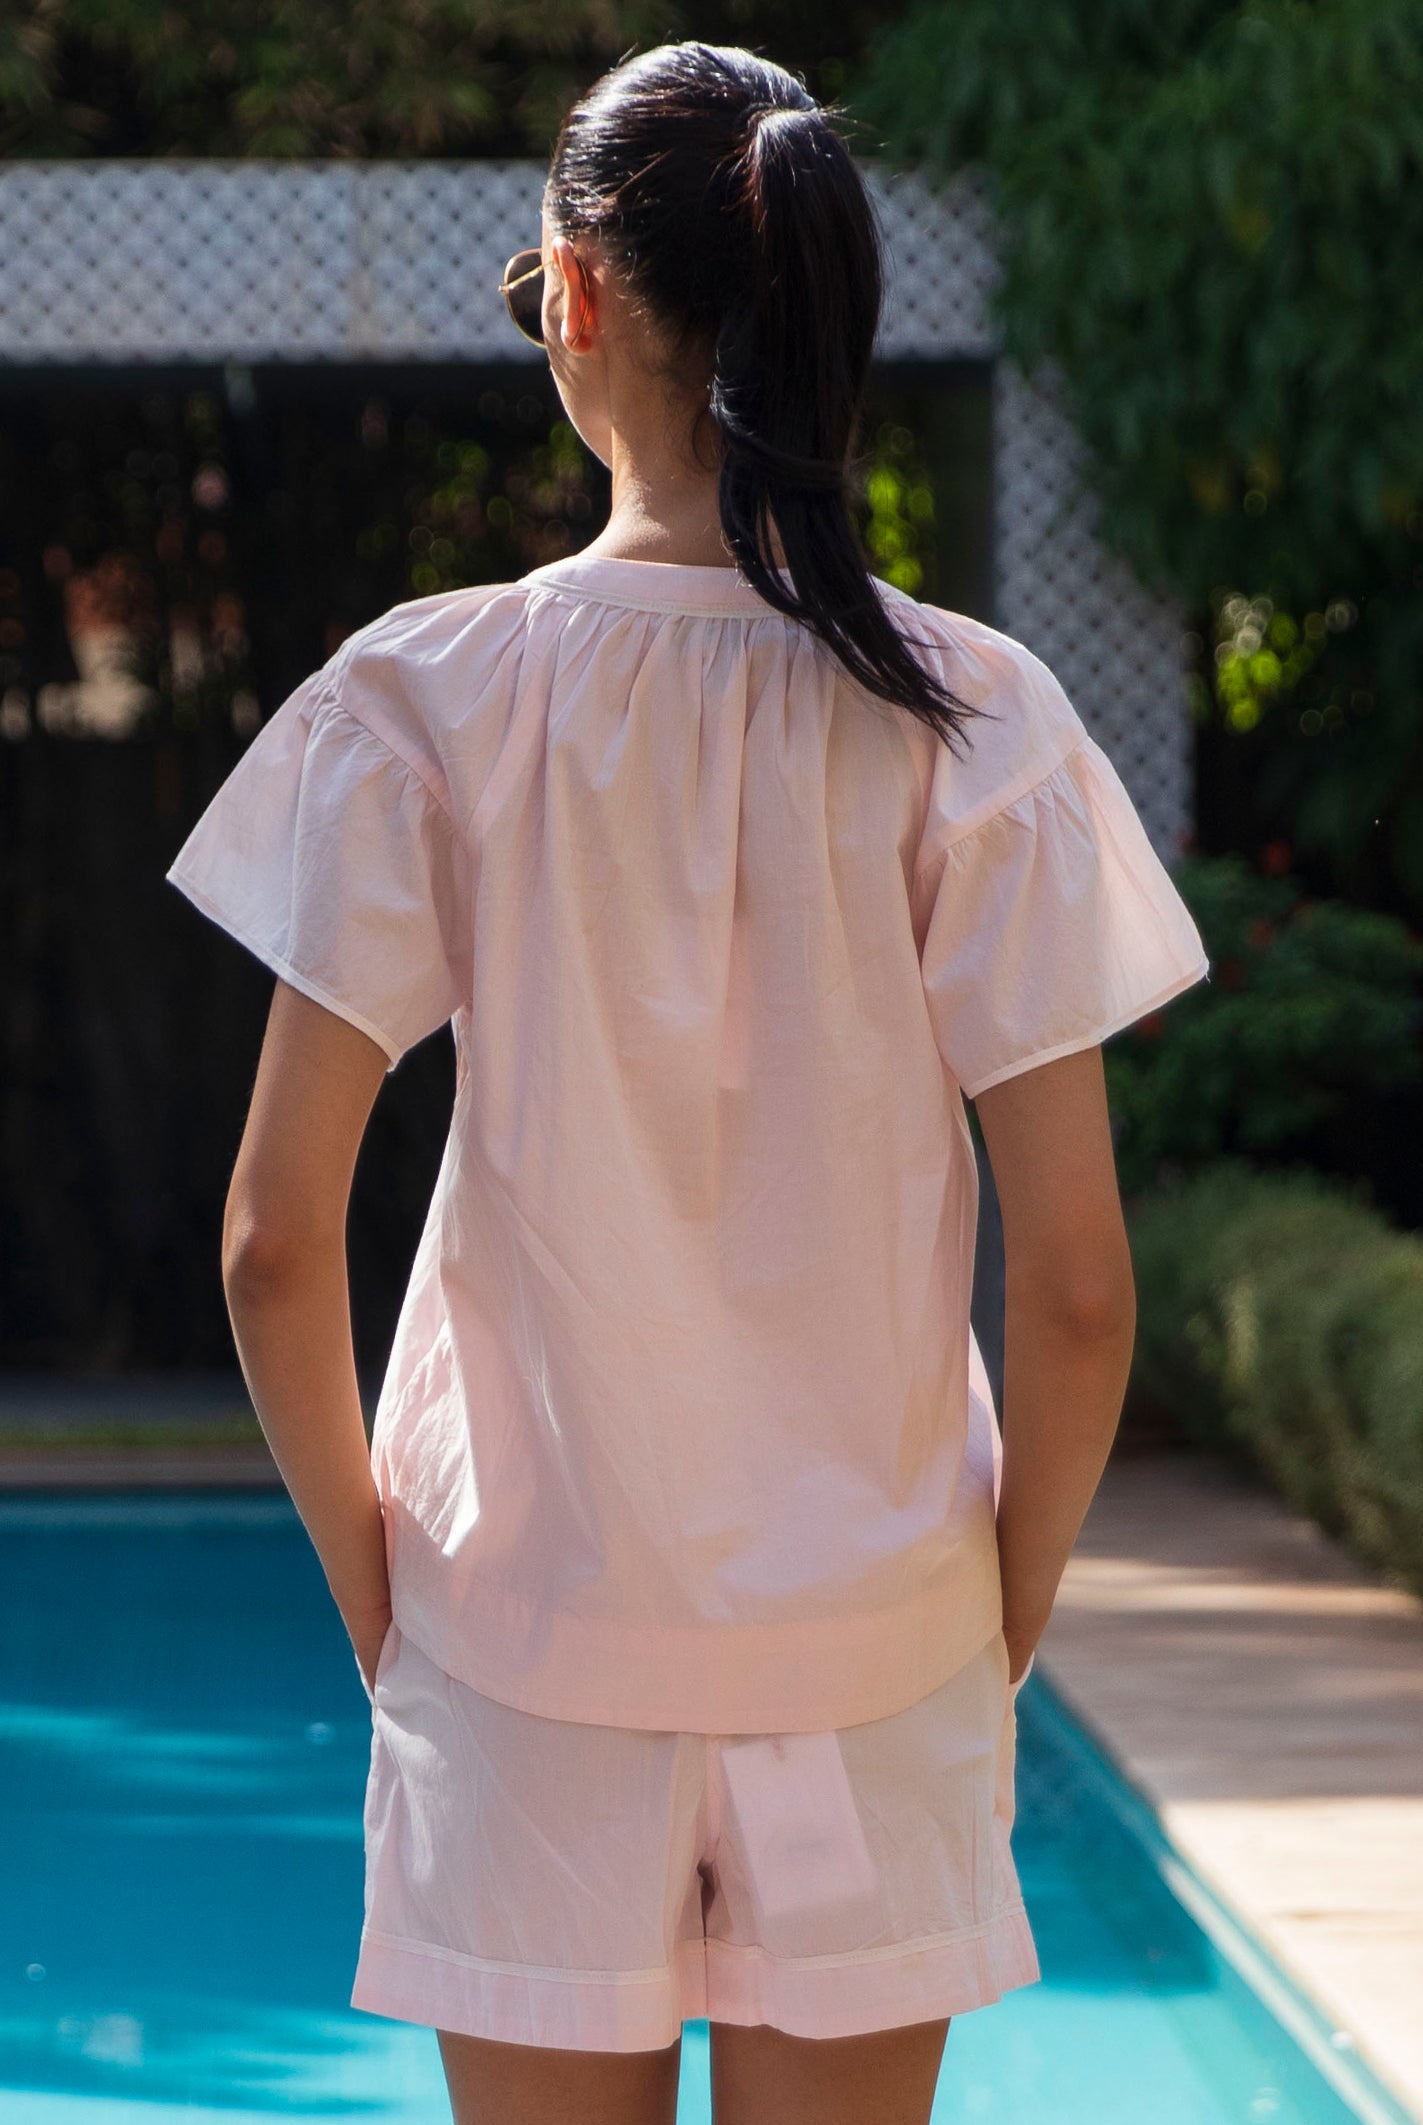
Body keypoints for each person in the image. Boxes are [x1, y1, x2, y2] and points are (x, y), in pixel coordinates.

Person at [164, 40, 1210, 2125]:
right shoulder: (974, 723)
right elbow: (1080, 1287)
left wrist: (397, 1617)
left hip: (525, 1657)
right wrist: (981, 1634)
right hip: (877, 1652)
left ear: (570, 295)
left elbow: (279, 1240)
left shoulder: (423, 700)